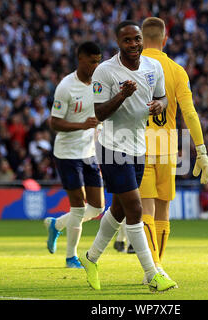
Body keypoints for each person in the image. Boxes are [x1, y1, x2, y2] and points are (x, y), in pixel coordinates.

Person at [78, 20, 177, 292]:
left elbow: (164, 99)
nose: (133, 45)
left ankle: (91, 258)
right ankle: (153, 273)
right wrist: (122, 94)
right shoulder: (106, 72)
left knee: (120, 210)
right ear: (118, 43)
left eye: (137, 39)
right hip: (112, 148)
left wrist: (160, 105)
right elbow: (98, 114)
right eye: (127, 41)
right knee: (135, 208)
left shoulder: (152, 67)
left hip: (138, 147)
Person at [114, 17, 208, 284]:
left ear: (141, 40)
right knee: (163, 211)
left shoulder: (130, 67)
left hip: (137, 144)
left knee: (143, 210)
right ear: (165, 39)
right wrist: (201, 151)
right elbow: (189, 112)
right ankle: (156, 269)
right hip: (168, 146)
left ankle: (153, 268)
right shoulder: (177, 70)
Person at [43, 41, 105, 268]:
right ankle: (71, 257)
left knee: (97, 208)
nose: (96, 66)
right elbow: (54, 123)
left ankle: (56, 225)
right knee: (78, 207)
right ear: (80, 59)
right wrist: (83, 126)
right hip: (67, 154)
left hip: (89, 153)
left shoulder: (98, 84)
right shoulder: (66, 86)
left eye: (98, 61)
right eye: (92, 62)